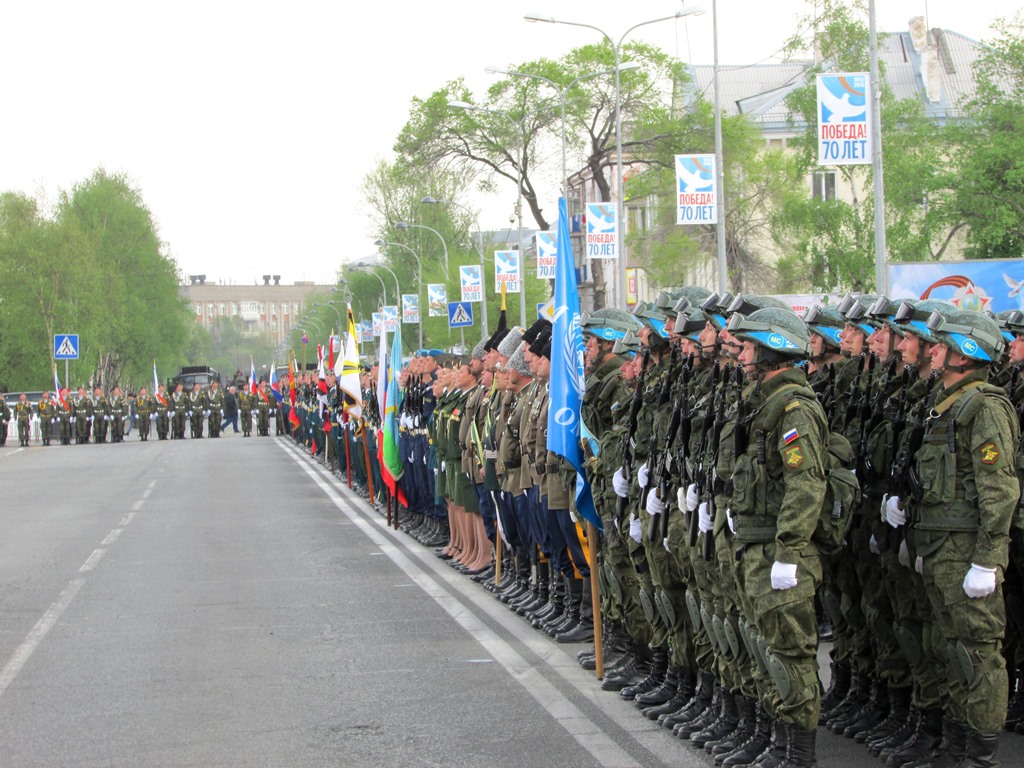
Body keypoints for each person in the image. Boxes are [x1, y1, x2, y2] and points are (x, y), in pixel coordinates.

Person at [890, 309, 1019, 766]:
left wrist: (987, 559)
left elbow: (1000, 490)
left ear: (965, 353)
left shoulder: (984, 407)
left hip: (967, 552)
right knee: (949, 649)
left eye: (942, 345)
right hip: (940, 547)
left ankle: (980, 758)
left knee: (979, 656)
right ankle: (956, 744)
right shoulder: (944, 403)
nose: (933, 349)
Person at [728, 307, 828, 768]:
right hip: (758, 544)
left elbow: (805, 485)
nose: (742, 353)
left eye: (750, 346)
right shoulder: (763, 402)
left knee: (792, 654)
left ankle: (800, 755)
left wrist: (788, 553)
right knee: (769, 650)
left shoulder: (795, 409)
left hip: (779, 551)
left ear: (774, 348)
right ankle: (778, 742)